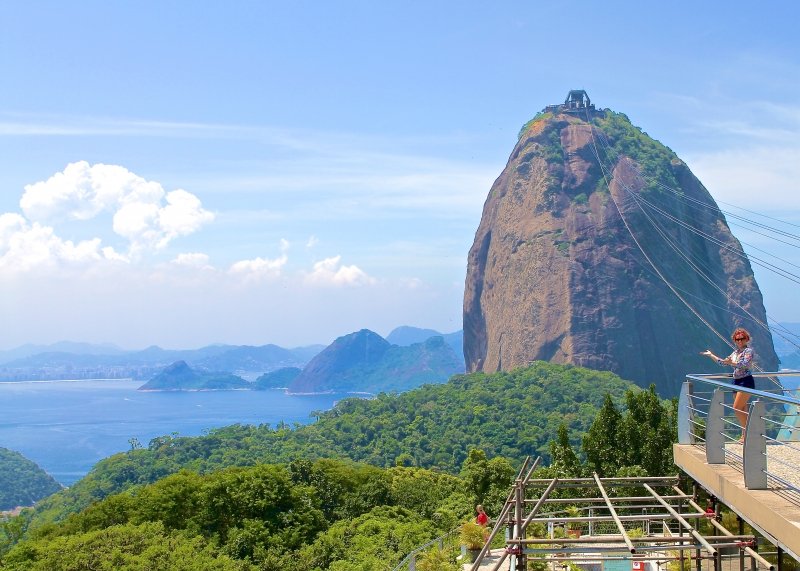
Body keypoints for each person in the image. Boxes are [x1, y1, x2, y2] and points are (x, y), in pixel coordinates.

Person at [701, 328, 755, 443]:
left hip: (746, 382)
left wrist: (732, 363)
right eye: (737, 339)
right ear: (735, 340)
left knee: (736, 408)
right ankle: (745, 435)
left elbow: (745, 364)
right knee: (742, 409)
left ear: (746, 339)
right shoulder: (735, 353)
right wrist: (711, 355)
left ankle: (749, 433)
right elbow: (723, 362)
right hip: (736, 382)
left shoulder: (748, 351)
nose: (739, 341)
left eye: (742, 339)